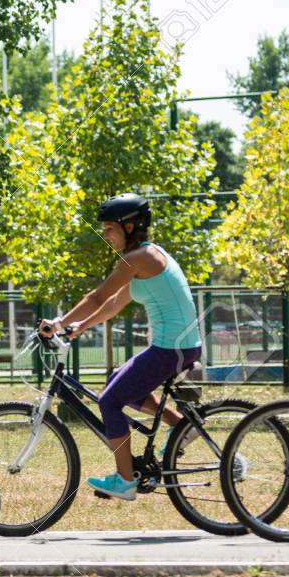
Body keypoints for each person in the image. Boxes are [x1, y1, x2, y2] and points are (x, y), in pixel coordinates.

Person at [39, 193, 202, 501]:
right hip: (175, 347)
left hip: (172, 349)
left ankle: (125, 480)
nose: (105, 235)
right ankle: (180, 425)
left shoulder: (138, 258)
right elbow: (114, 303)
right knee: (117, 381)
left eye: (110, 228)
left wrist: (58, 323)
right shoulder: (145, 256)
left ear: (129, 227)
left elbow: (97, 297)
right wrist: (80, 326)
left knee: (110, 402)